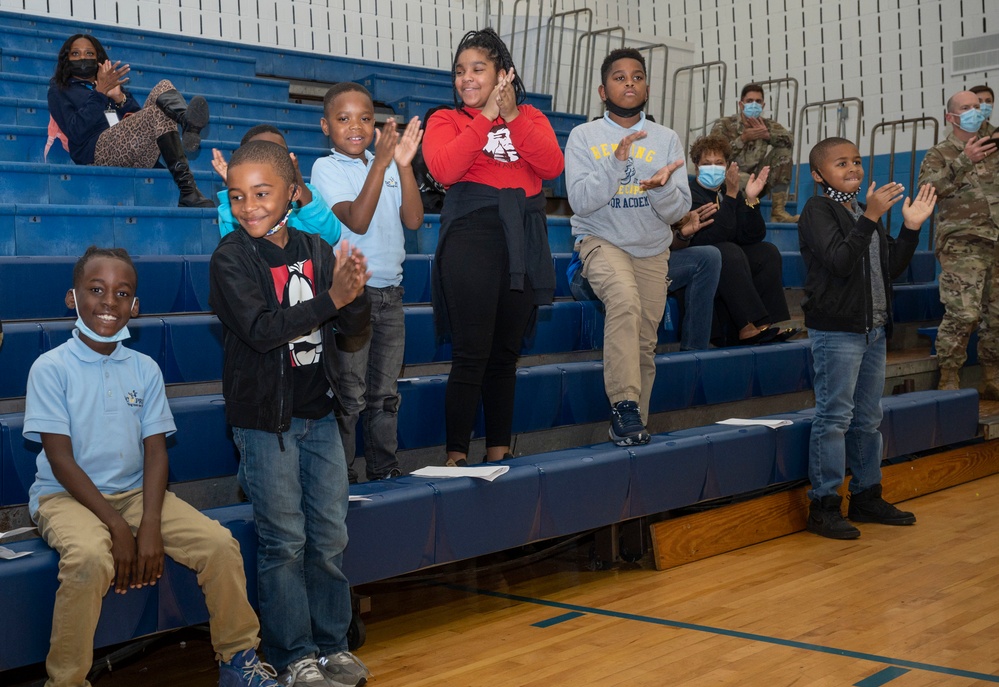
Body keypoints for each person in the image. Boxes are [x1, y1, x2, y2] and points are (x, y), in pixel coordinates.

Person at [24, 246, 278, 687]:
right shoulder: (50, 368)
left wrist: (151, 523)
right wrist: (118, 528)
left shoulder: (145, 368)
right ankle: (65, 682)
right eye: (96, 290)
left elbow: (156, 451)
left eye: (122, 293)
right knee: (88, 558)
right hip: (65, 497)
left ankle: (239, 661)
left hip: (137, 495)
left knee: (219, 545)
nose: (109, 302)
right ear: (72, 298)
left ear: (135, 306)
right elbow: (60, 460)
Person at [209, 141, 372, 687]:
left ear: (291, 191)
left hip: (318, 416)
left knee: (328, 536)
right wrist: (333, 300)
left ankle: (331, 644)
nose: (248, 206)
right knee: (284, 541)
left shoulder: (315, 247)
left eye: (261, 193)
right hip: (264, 424)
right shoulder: (231, 257)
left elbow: (350, 326)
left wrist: (355, 292)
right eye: (237, 196)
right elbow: (259, 331)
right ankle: (292, 653)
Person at [423, 28, 563, 465]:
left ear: (504, 75)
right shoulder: (445, 120)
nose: (466, 77)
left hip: (523, 237)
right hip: (472, 235)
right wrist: (486, 116)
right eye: (460, 71)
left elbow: (552, 166)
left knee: (505, 356)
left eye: (478, 68)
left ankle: (499, 452)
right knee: (472, 353)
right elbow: (444, 169)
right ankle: (456, 455)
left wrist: (513, 117)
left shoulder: (531, 118)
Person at [799, 137, 937, 539]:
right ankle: (824, 505)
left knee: (868, 418)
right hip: (838, 331)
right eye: (841, 163)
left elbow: (890, 267)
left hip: (873, 330)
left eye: (857, 161)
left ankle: (866, 495)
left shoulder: (862, 210)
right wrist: (871, 218)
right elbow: (840, 262)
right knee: (834, 418)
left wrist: (910, 229)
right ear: (818, 174)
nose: (853, 169)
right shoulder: (816, 210)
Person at [565, 47, 691, 446]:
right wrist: (617, 163)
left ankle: (634, 429)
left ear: (647, 87)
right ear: (603, 90)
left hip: (652, 248)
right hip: (601, 239)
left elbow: (679, 211)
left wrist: (661, 188)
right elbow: (582, 201)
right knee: (623, 299)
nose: (629, 83)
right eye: (619, 77)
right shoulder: (584, 136)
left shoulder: (667, 139)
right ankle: (623, 406)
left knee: (645, 343)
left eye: (636, 76)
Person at [311, 83, 424, 482]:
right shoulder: (326, 169)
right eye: (343, 119)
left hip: (391, 294)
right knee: (350, 394)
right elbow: (355, 220)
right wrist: (381, 165)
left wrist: (404, 165)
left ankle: (384, 469)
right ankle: (339, 476)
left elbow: (413, 221)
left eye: (364, 118)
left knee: (385, 396)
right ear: (326, 125)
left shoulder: (390, 165)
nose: (355, 126)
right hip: (353, 298)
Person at [47, 33, 214, 207]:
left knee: (164, 86)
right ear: (66, 59)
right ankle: (188, 190)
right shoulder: (59, 91)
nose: (83, 57)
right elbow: (76, 132)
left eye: (89, 53)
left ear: (99, 59)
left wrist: (120, 98)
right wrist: (99, 94)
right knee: (156, 113)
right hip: (97, 154)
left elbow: (138, 118)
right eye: (76, 53)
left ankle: (186, 121)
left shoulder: (113, 85)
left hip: (133, 150)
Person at [917, 90, 999, 396]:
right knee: (964, 313)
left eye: (978, 107)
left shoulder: (994, 146)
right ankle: (949, 374)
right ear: (951, 117)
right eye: (966, 108)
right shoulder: (940, 154)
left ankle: (992, 376)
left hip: (996, 240)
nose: (975, 111)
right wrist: (965, 160)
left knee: (997, 315)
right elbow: (928, 189)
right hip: (962, 244)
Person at [686, 134, 795, 346]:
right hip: (700, 260)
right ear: (697, 167)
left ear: (727, 166)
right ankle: (748, 325)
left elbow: (751, 235)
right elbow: (716, 236)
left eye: (719, 163)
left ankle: (770, 324)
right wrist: (733, 195)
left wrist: (752, 200)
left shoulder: (728, 192)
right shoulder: (690, 195)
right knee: (727, 250)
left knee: (767, 252)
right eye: (707, 163)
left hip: (729, 261)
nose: (714, 167)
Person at [212, 124, 342, 246]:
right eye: (259, 154)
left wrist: (297, 179)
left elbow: (330, 236)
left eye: (279, 153)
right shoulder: (233, 206)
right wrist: (235, 186)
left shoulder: (308, 195)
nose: (270, 158)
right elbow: (234, 241)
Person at [710, 83, 797, 222]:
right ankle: (740, 216)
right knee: (742, 178)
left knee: (784, 153)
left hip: (758, 179)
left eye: (758, 101)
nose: (754, 104)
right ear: (741, 104)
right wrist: (743, 139)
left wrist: (768, 136)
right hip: (729, 179)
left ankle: (778, 212)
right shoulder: (724, 124)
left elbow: (789, 141)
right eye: (749, 101)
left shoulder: (767, 125)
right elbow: (714, 155)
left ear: (763, 105)